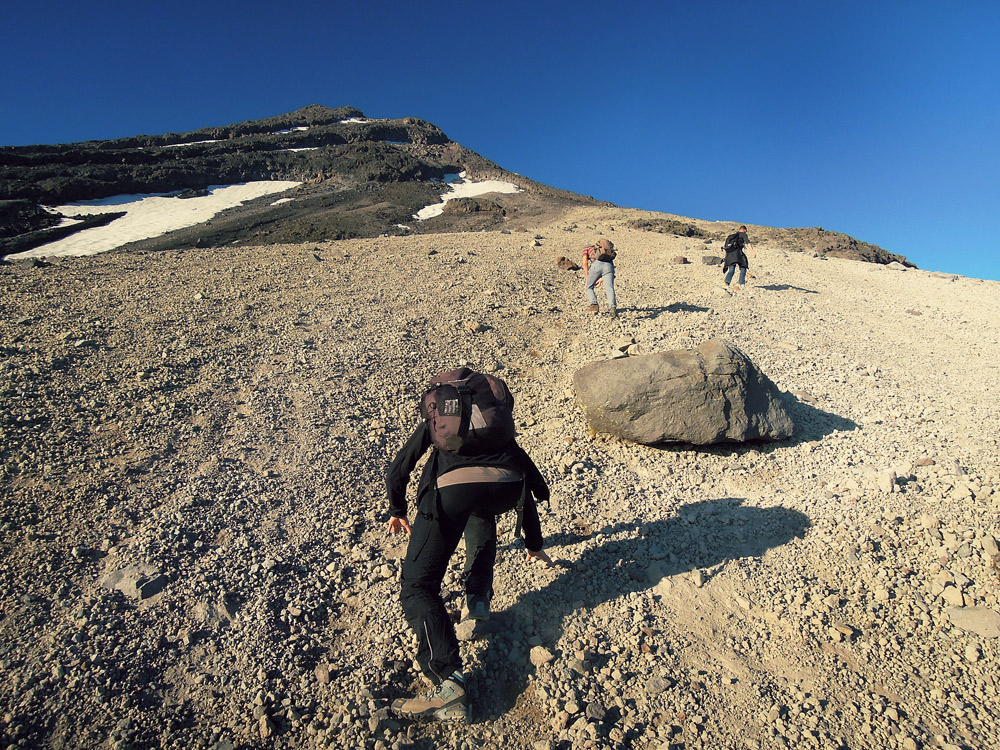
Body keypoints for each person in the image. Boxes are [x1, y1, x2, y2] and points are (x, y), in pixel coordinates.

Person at [386, 376, 553, 723]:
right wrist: (534, 542)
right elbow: (528, 476)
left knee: (418, 586)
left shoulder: (441, 418)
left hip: (452, 490)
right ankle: (478, 596)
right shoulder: (493, 419)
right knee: (483, 505)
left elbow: (399, 468)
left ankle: (447, 682)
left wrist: (398, 509)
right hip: (507, 486)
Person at [583, 238, 618, 317]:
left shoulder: (587, 249)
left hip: (596, 265)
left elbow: (585, 263)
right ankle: (612, 308)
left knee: (589, 287)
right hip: (609, 265)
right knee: (610, 288)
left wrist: (587, 276)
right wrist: (601, 279)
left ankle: (594, 305)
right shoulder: (607, 251)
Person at [722, 225, 757, 289]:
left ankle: (726, 283)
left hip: (729, 254)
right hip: (738, 254)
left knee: (731, 270)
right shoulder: (743, 235)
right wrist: (753, 251)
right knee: (743, 266)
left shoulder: (731, 236)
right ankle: (741, 283)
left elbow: (726, 247)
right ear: (745, 230)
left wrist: (726, 257)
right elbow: (748, 243)